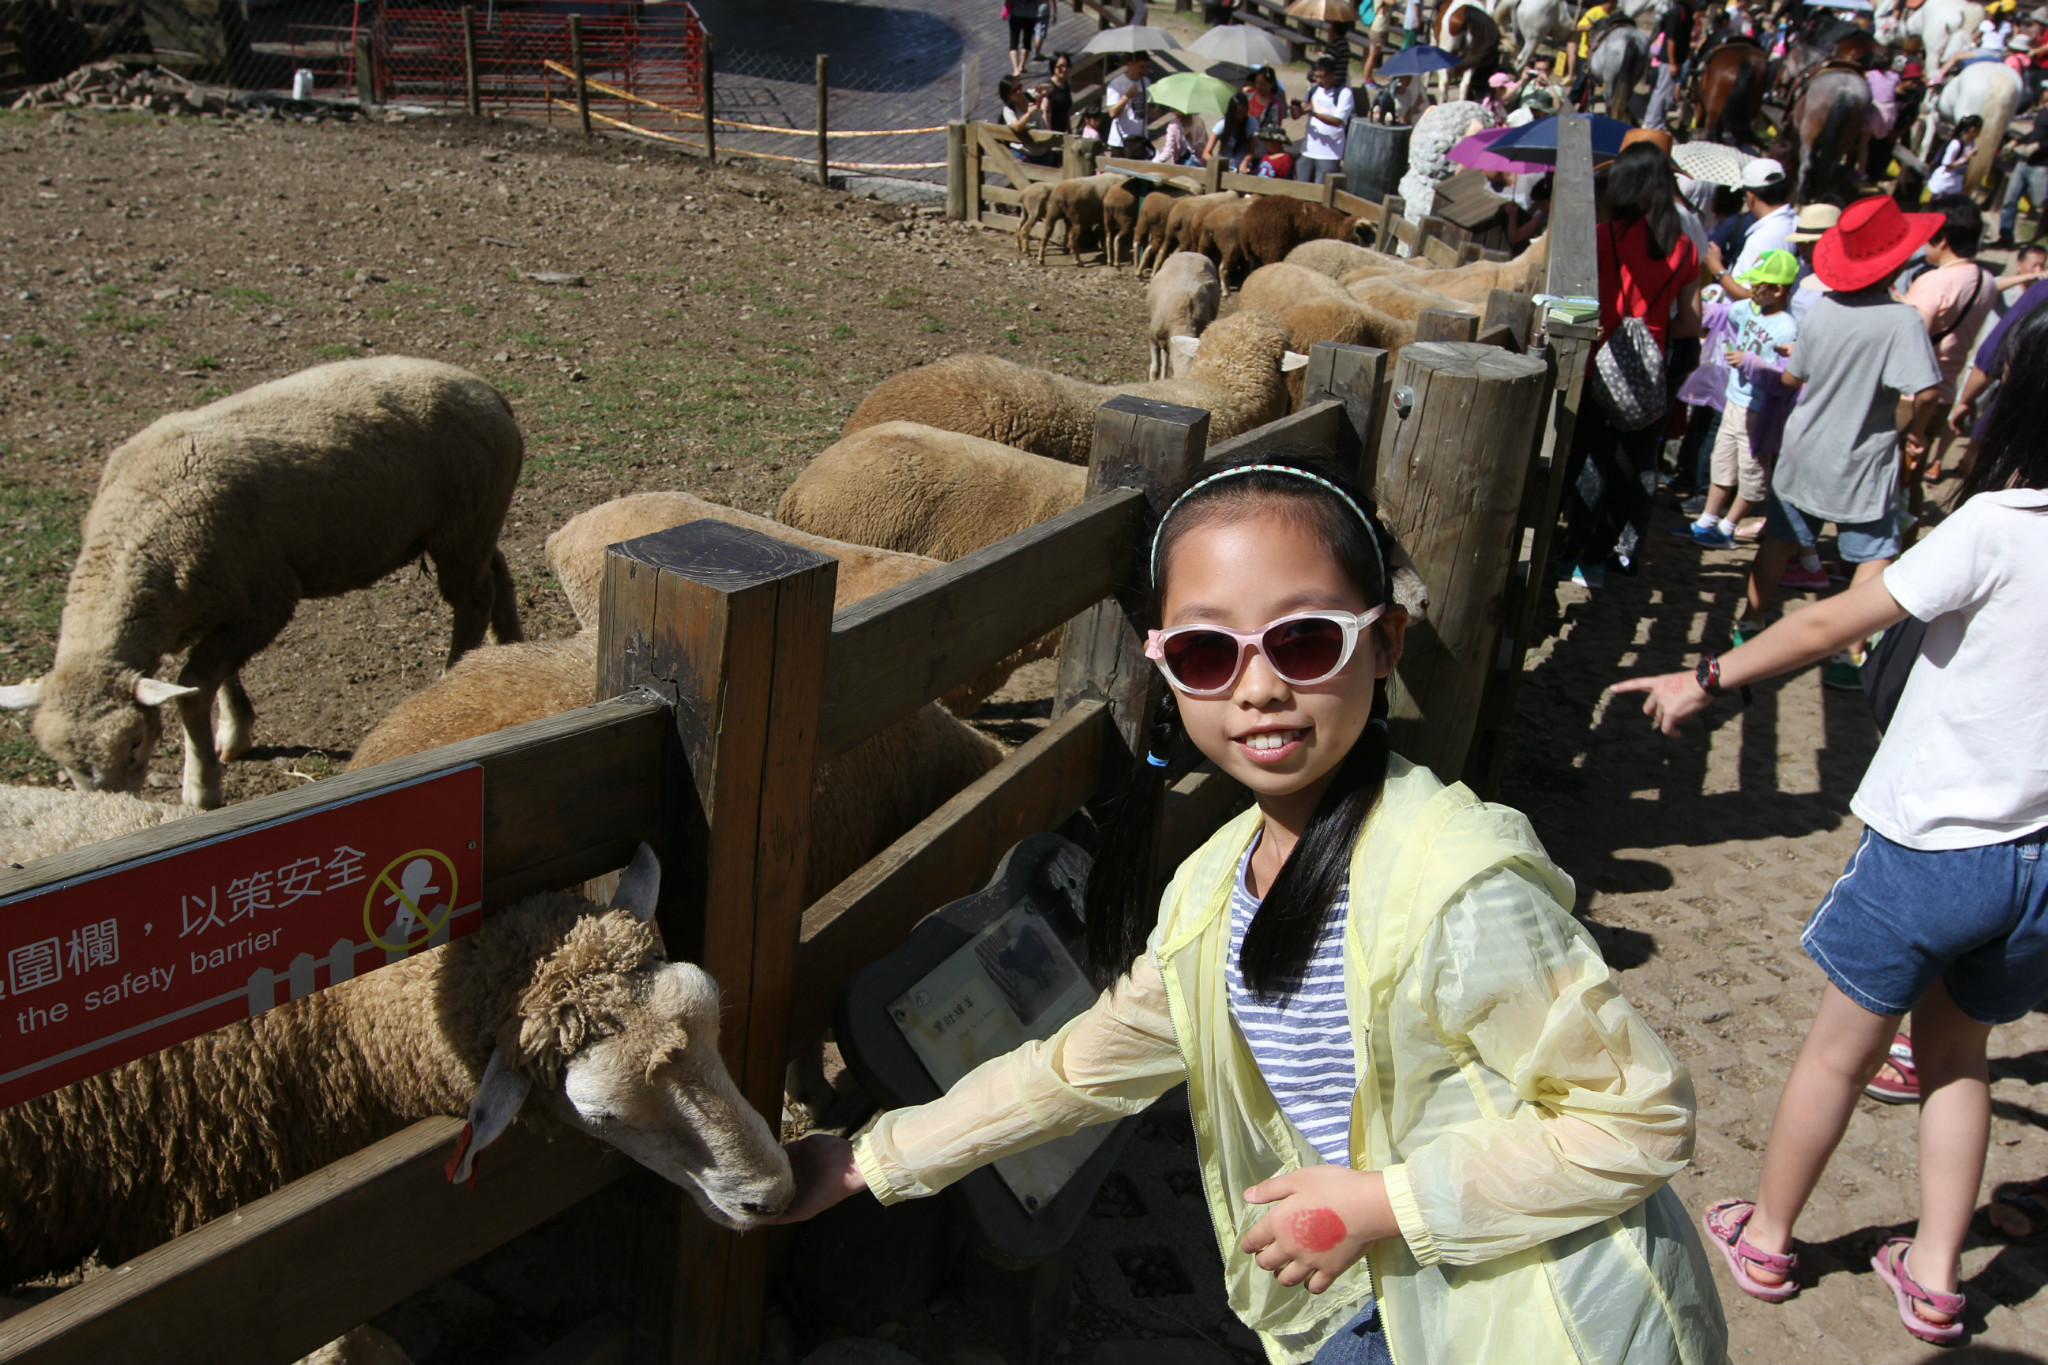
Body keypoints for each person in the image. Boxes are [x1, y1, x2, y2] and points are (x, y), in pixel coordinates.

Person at [775, 452, 1730, 1365]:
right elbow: (1081, 1068)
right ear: (1166, 666)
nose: (1261, 687)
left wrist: (1383, 1204)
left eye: (1307, 639)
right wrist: (870, 1160)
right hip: (1374, 1299)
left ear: (1386, 640)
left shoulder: (1455, 885)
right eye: (1205, 651)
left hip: (1543, 1318)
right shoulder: (1214, 888)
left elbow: (1638, 1119)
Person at [1613, 301, 2048, 1349]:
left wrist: (1706, 672)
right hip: (2035, 867)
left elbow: (1826, 621)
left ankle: (1765, 1236)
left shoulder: (1999, 530)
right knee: (1957, 1060)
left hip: (1927, 850)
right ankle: (1936, 1276)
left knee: (1834, 1059)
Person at [1732, 196, 1943, 680]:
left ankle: (1749, 620)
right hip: (1862, 457)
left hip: (1804, 446)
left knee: (1780, 539)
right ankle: (1848, 654)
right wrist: (1911, 428)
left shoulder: (1823, 309)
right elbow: (1926, 391)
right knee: (1874, 554)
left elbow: (1792, 378)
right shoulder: (1901, 320)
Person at [1559, 142, 1704, 583]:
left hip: (1594, 366)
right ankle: (1602, 557)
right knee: (1631, 468)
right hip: (1644, 375)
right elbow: (1690, 323)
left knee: (1587, 461)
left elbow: (1574, 302)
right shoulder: (1683, 248)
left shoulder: (1602, 238)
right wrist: (1649, 328)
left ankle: (1569, 549)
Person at [1679, 249, 1800, 547]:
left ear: (1778, 290)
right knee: (1722, 462)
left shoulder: (1787, 328)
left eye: (1758, 286)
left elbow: (1785, 378)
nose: (1752, 291)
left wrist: (1749, 361)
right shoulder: (1750, 308)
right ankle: (1706, 522)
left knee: (1752, 473)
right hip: (1734, 402)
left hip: (1760, 413)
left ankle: (1727, 527)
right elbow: (1723, 314)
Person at [1899, 195, 1998, 486]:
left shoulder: (1933, 282)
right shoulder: (1985, 279)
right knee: (1911, 482)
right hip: (1944, 393)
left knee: (1888, 483)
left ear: (1942, 240)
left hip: (1910, 399)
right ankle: (1908, 531)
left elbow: (1909, 345)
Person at [1705, 157, 1795, 302]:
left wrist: (1717, 268)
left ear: (1751, 196)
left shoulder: (1762, 237)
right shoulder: (1793, 223)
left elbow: (1749, 295)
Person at [1297, 57, 1354, 185]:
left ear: (1333, 74)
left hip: (1330, 153)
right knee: (1300, 189)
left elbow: (1338, 121)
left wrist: (1314, 113)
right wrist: (1295, 107)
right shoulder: (1313, 91)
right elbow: (1297, 116)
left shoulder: (1344, 93)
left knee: (1321, 194)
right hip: (1308, 150)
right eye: (1316, 77)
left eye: (1322, 77)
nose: (1319, 81)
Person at [1785, 202, 1839, 326]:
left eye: (1809, 243)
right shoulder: (1804, 269)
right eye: (1800, 242)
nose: (1802, 248)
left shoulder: (1838, 279)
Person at [1993, 124, 2048, 248]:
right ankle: (2006, 238)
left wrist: (2039, 146)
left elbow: (2040, 140)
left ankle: (2039, 241)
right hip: (2023, 163)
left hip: (2041, 167)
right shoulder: (2045, 110)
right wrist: (2016, 141)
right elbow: (2036, 133)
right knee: (2008, 201)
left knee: (2040, 206)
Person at [997, 74, 1058, 164]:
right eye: (1014, 91)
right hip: (1025, 156)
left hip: (1044, 151)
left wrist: (1040, 87)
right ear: (1008, 95)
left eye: (1019, 87)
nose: (1018, 91)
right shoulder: (1008, 109)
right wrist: (1028, 114)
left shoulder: (1029, 95)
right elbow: (1017, 126)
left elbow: (1051, 88)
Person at [1104, 52, 1153, 158]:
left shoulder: (1146, 82)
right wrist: (1126, 97)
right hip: (1120, 141)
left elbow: (1144, 110)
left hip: (1140, 139)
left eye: (1146, 67)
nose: (1144, 71)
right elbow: (1112, 113)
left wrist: (1153, 112)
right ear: (1130, 64)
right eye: (1141, 67)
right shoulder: (1117, 83)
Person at [1926, 114, 1982, 198]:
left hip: (1954, 187)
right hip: (1943, 184)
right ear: (1973, 129)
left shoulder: (1971, 144)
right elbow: (1947, 165)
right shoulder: (1956, 144)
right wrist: (1965, 158)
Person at [1206, 93, 1260, 173]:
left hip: (1243, 168)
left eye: (1243, 113)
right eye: (1238, 113)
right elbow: (1206, 152)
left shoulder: (1252, 123)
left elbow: (1252, 151)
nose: (1240, 116)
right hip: (1225, 167)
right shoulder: (1222, 124)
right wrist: (1217, 165)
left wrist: (1245, 161)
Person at [1005, 0, 1045, 77]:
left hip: (1015, 14)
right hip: (1030, 15)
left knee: (1014, 42)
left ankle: (1016, 69)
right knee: (1027, 41)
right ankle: (1022, 66)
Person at [1042, 52, 1074, 133]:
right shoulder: (1049, 87)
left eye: (1067, 66)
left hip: (1063, 131)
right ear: (1053, 67)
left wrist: (1069, 129)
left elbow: (1066, 110)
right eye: (1060, 66)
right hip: (1052, 132)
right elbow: (1044, 111)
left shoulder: (1066, 85)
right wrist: (1048, 133)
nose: (1064, 69)